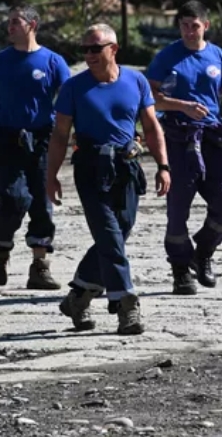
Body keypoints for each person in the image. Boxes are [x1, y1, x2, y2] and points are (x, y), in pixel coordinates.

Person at [47, 23, 171, 335]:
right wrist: (51, 176)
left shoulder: (136, 80)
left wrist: (163, 165)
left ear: (113, 49)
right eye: (85, 49)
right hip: (90, 168)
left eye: (95, 48)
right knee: (110, 236)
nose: (89, 54)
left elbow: (152, 126)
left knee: (118, 232)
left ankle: (79, 295)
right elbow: (60, 135)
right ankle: (125, 305)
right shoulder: (74, 88)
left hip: (127, 167)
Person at [144, 0, 222, 296]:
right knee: (178, 208)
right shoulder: (167, 57)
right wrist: (182, 106)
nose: (190, 32)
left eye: (195, 26)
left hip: (211, 139)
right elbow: (150, 96)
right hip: (179, 139)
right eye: (184, 26)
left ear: (205, 26)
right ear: (179, 27)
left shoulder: (218, 56)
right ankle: (180, 270)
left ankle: (202, 253)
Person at [0, 5, 71, 290]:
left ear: (33, 25)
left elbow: (67, 103)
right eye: (9, 23)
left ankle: (40, 267)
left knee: (42, 202)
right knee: (13, 197)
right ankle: (1, 249)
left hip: (42, 138)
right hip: (6, 137)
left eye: (16, 22)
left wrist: (70, 136)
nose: (10, 28)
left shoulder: (53, 62)